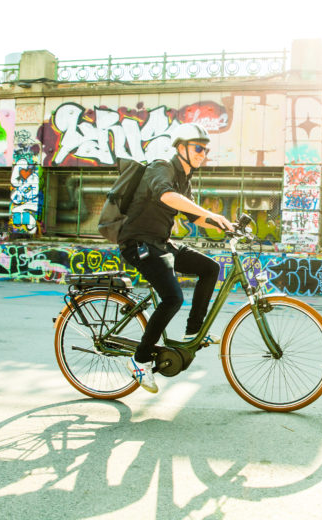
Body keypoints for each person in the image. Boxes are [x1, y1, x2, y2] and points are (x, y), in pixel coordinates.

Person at [118, 123, 233, 393]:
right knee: (173, 298)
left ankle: (193, 332)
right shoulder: (162, 167)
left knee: (210, 268)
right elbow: (166, 195)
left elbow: (195, 217)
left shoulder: (185, 179)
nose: (203, 153)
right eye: (198, 148)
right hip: (139, 243)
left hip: (160, 243)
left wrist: (226, 225)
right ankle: (139, 360)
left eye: (206, 150)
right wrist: (211, 214)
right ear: (181, 148)